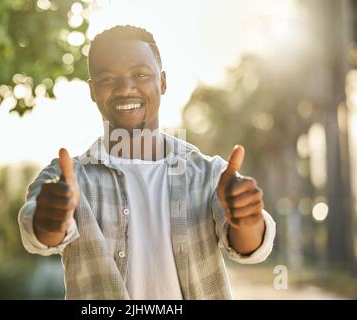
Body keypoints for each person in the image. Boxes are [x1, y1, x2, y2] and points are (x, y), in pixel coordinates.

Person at [18, 25, 276, 300]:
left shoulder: (209, 174)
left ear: (163, 82)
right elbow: (36, 230)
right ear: (92, 91)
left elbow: (250, 248)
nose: (125, 89)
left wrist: (246, 220)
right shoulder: (66, 178)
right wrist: (49, 222)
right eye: (107, 79)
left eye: (140, 74)